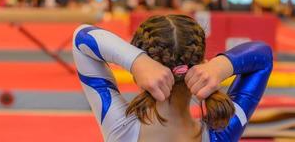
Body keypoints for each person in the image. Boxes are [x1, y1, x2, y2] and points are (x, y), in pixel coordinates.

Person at [73, 15, 273, 142]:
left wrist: (136, 61)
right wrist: (220, 66)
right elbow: (263, 57)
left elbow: (82, 37)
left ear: (140, 78)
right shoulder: (222, 133)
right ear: (202, 65)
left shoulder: (120, 128)